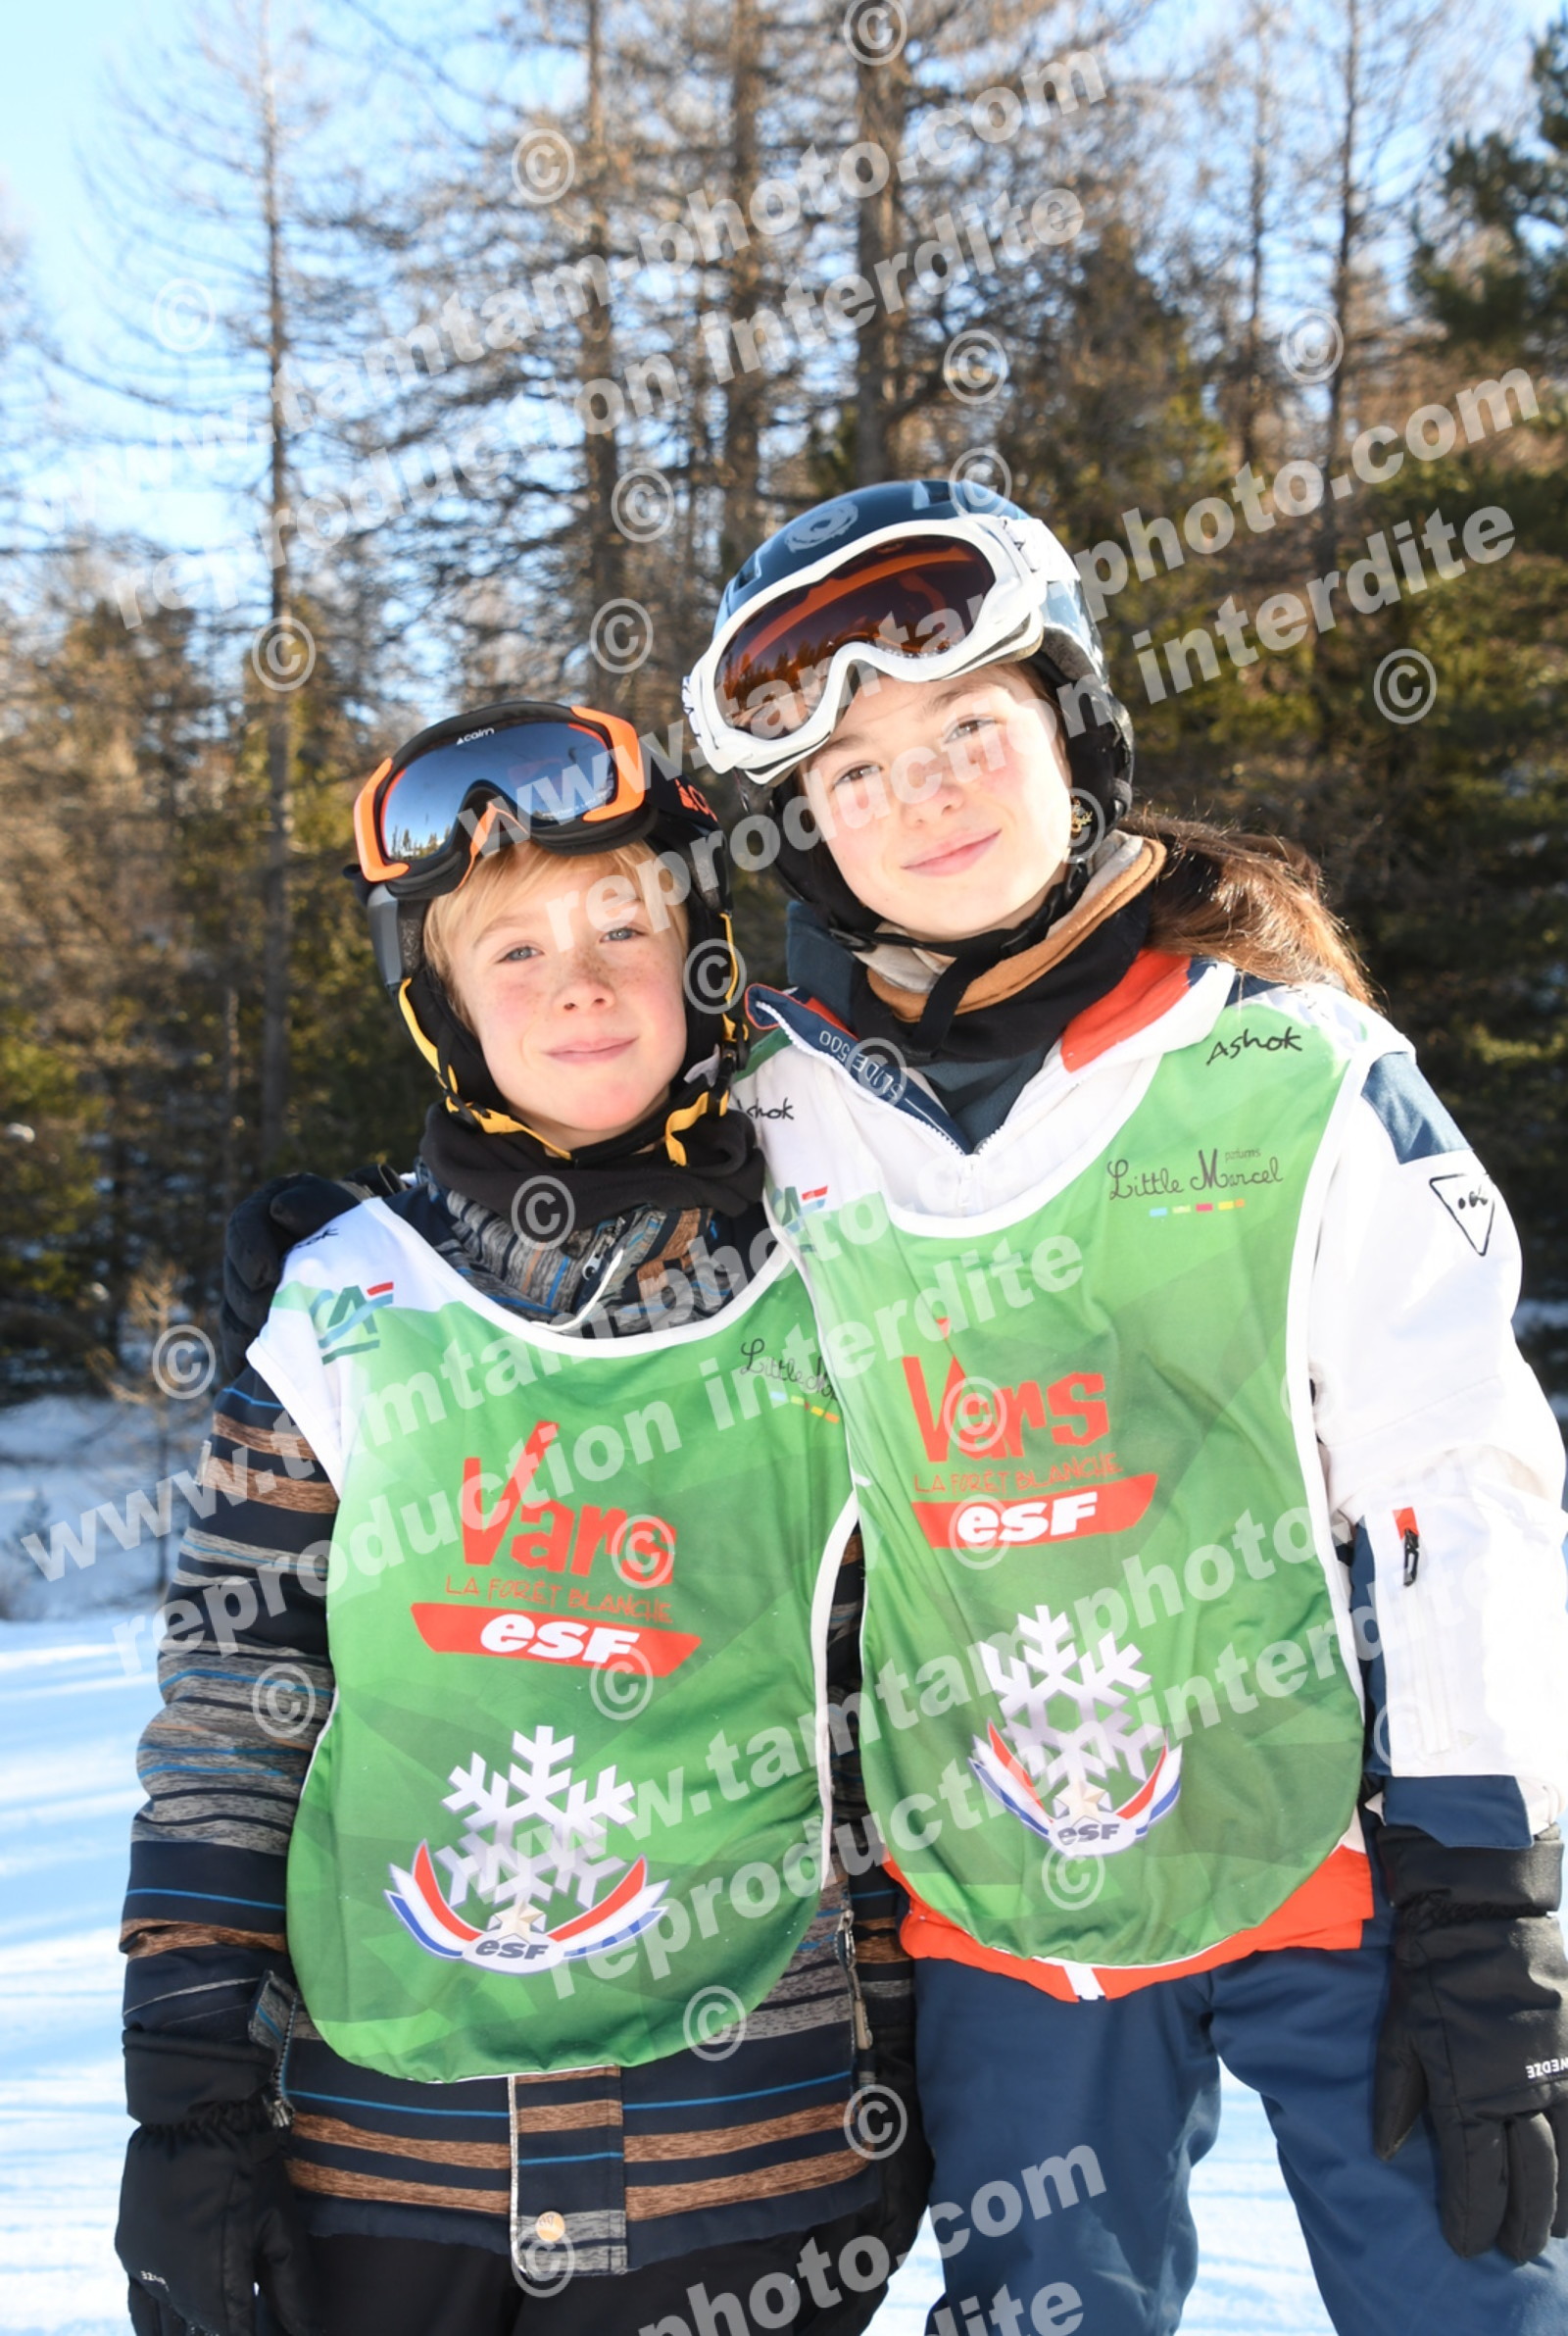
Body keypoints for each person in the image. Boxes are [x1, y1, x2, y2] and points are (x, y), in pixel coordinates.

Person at [679, 478, 1568, 2334]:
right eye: (854, 772)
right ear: (806, 830)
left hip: (1344, 1866)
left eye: (967, 730)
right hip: (1008, 1900)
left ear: (1073, 732)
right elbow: (573, 1125)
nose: (921, 795)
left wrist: (1488, 1887)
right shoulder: (774, 1109)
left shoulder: (1288, 1064)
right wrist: (413, 1217)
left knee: (1473, 2301)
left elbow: (1456, 1475)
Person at [117, 700, 925, 2336]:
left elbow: (883, 1710)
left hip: (744, 2156)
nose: (580, 983)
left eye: (626, 926)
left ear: (704, 960)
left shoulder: (841, 1280)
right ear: (441, 1009)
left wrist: (907, 2060)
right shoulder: (342, 1311)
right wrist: (191, 2099)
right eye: (515, 951)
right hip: (384, 2165)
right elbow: (235, 1715)